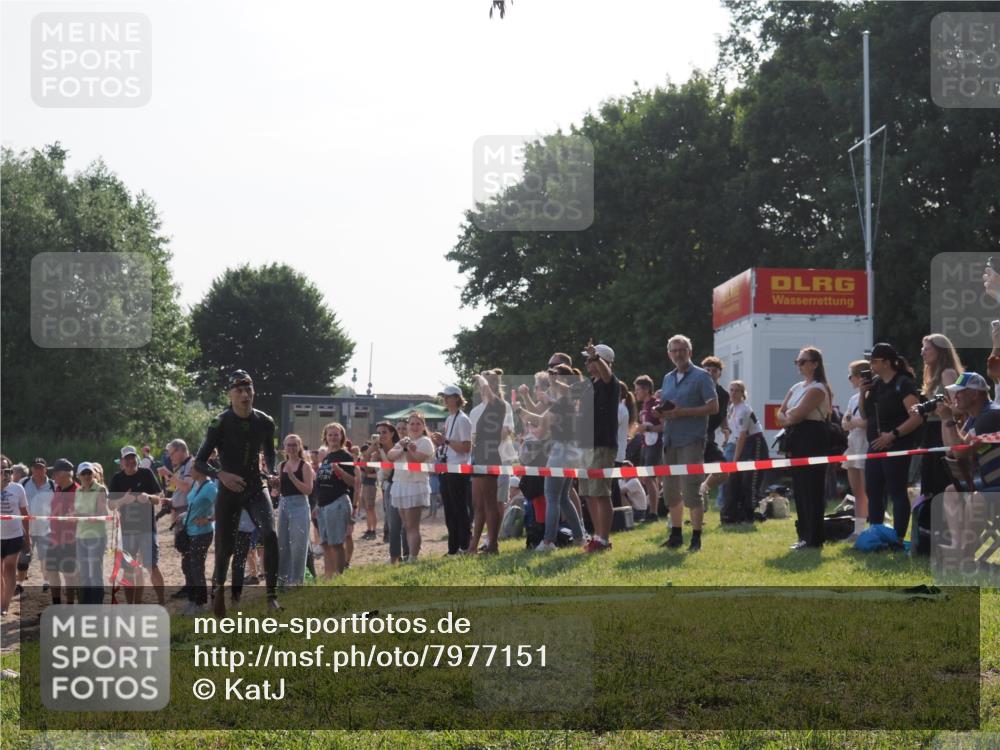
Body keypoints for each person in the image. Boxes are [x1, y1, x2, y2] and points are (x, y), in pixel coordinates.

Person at [194, 369, 280, 617]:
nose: (244, 395)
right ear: (230, 395)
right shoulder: (219, 422)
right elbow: (199, 462)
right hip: (229, 489)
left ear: (253, 392)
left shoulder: (265, 421)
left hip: (254, 486)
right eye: (239, 390)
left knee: (270, 534)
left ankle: (271, 597)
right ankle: (219, 592)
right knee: (225, 549)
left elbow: (270, 453)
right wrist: (221, 475)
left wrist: (271, 472)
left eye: (248, 389)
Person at [658, 335, 719, 551]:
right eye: (673, 350)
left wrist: (684, 412)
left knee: (692, 490)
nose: (678, 354)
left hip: (691, 441)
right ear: (669, 354)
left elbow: (713, 407)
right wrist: (662, 411)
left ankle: (696, 538)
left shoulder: (702, 377)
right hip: (670, 440)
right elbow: (670, 407)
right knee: (671, 491)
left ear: (689, 352)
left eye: (681, 349)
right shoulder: (667, 378)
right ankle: (676, 536)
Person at [517, 362, 586, 551]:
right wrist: (523, 412)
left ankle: (548, 542)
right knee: (563, 498)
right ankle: (580, 537)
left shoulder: (562, 402)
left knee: (552, 497)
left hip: (560, 452)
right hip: (571, 452)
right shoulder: (568, 401)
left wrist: (520, 412)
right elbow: (541, 419)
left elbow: (540, 428)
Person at [859, 342, 922, 540]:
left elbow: (917, 417)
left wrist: (892, 434)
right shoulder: (876, 384)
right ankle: (876, 533)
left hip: (897, 445)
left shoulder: (903, 383)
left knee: (896, 491)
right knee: (873, 490)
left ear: (886, 362)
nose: (870, 364)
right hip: (875, 445)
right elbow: (864, 414)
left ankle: (898, 537)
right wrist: (862, 393)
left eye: (874, 361)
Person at [776, 347, 835, 550]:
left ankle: (814, 538)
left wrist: (789, 416)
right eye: (797, 362)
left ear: (815, 363)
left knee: (812, 489)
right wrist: (788, 417)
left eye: (803, 361)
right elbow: (781, 414)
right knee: (800, 489)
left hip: (813, 438)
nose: (799, 365)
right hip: (796, 439)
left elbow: (797, 415)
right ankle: (803, 535)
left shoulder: (818, 388)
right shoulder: (796, 387)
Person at [938, 371, 1000, 559]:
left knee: (976, 499)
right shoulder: (974, 417)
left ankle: (964, 553)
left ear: (974, 394)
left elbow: (960, 452)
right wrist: (945, 418)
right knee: (951, 491)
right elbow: (950, 449)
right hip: (990, 482)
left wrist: (948, 419)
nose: (954, 396)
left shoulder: (990, 416)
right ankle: (960, 547)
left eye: (959, 392)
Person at [576, 343, 620, 552]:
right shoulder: (590, 385)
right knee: (588, 493)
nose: (587, 363)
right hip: (586, 445)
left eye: (591, 359)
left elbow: (607, 375)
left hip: (602, 445)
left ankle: (604, 539)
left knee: (601, 493)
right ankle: (596, 536)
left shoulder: (610, 383)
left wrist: (597, 358)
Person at [107, 445, 165, 605]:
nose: (131, 461)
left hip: (147, 529)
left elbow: (159, 498)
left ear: (137, 459)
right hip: (127, 531)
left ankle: (162, 602)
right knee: (129, 569)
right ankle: (132, 605)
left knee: (152, 566)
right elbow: (111, 505)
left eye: (133, 458)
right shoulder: (117, 479)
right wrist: (123, 500)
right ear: (122, 462)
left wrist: (147, 497)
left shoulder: (146, 473)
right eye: (127, 459)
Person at [914, 334, 964, 506]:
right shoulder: (933, 376)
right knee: (929, 482)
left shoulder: (948, 373)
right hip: (931, 432)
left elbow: (959, 407)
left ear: (940, 351)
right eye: (922, 348)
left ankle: (944, 527)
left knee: (940, 481)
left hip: (943, 432)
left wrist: (937, 409)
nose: (922, 353)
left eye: (927, 349)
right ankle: (929, 528)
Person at [468, 371, 509, 555]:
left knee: (490, 503)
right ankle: (473, 546)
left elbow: (485, 387)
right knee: (478, 504)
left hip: (489, 456)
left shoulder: (499, 404)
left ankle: (493, 545)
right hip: (479, 456)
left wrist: (479, 376)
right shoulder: (484, 407)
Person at [387, 412, 435, 560]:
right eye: (412, 424)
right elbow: (390, 455)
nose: (414, 427)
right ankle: (409, 555)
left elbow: (414, 463)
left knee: (413, 526)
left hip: (414, 485)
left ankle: (413, 557)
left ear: (423, 426)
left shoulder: (425, 441)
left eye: (418, 424)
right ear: (407, 426)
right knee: (407, 526)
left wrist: (408, 450)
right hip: (400, 484)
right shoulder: (404, 440)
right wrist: (403, 447)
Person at [431, 385, 473, 555]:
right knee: (449, 510)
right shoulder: (450, 418)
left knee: (459, 509)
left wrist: (446, 441)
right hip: (448, 467)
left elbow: (466, 447)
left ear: (457, 398)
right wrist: (441, 444)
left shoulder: (463, 419)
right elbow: (451, 444)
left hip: (458, 469)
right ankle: (453, 548)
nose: (445, 400)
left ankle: (464, 545)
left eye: (447, 397)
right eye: (444, 397)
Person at [720, 381, 768, 524]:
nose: (733, 394)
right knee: (737, 480)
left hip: (755, 444)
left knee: (750, 480)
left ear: (742, 393)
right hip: (743, 443)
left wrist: (735, 459)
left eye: (737, 391)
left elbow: (742, 436)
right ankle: (737, 514)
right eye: (731, 390)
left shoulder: (744, 410)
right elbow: (735, 433)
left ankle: (749, 515)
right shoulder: (732, 408)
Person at [314, 423, 356, 576]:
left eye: (336, 434)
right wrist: (317, 505)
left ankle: (340, 577)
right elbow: (321, 483)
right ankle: (328, 576)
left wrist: (340, 472)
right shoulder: (327, 457)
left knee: (336, 543)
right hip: (323, 505)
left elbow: (352, 481)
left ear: (341, 437)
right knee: (324, 543)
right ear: (325, 437)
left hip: (337, 503)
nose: (332, 437)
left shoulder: (345, 456)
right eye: (330, 434)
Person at [276, 433, 315, 587]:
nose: (291, 448)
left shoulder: (305, 466)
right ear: (284, 447)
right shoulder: (281, 466)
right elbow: (280, 490)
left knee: (298, 544)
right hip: (284, 504)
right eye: (288, 445)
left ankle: (296, 581)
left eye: (294, 445)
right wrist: (275, 486)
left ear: (299, 447)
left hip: (300, 505)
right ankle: (282, 580)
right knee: (283, 543)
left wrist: (292, 477)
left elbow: (308, 490)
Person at [181, 464, 216, 615]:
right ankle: (192, 600)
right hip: (190, 531)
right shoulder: (197, 483)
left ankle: (199, 603)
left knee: (196, 567)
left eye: (192, 469)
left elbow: (222, 506)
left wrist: (208, 519)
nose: (189, 471)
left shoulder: (210, 487)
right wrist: (183, 515)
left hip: (202, 533)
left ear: (200, 471)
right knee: (187, 566)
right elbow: (193, 504)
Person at [697, 356, 731, 509]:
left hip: (708, 440)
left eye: (714, 370)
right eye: (707, 370)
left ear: (720, 374)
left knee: (724, 471)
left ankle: (703, 488)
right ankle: (675, 515)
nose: (710, 373)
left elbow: (722, 415)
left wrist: (726, 429)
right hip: (691, 439)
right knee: (687, 477)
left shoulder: (724, 395)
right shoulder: (696, 389)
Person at [843, 360, 871, 541]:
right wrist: (852, 423)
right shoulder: (853, 398)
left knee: (868, 490)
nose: (849, 379)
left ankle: (869, 528)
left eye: (850, 376)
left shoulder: (873, 395)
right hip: (853, 446)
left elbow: (867, 422)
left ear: (860, 377)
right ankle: (857, 530)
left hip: (866, 446)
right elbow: (845, 422)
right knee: (857, 490)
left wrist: (853, 423)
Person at [17, 458, 54, 595]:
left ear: (46, 469)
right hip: (26, 529)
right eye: (35, 467)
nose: (38, 470)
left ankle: (46, 582)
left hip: (46, 529)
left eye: (41, 467)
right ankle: (20, 584)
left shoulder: (53, 484)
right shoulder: (23, 483)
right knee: (23, 559)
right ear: (32, 469)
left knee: (45, 558)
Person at [74, 462, 108, 604]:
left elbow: (101, 513)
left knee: (95, 572)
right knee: (84, 573)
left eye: (89, 473)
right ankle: (85, 603)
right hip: (81, 535)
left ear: (94, 474)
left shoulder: (100, 490)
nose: (87, 476)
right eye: (84, 473)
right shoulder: (78, 491)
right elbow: (77, 514)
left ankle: (96, 604)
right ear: (79, 476)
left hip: (96, 536)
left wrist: (80, 514)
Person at [46, 459, 78, 605]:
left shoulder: (77, 491)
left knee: (69, 575)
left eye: (56, 473)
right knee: (52, 572)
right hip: (54, 538)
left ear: (65, 473)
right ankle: (56, 604)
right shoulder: (58, 489)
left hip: (70, 540)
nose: (53, 476)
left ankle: (70, 606)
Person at [1, 456, 29, 616]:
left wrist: (28, 537)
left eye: (5, 469)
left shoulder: (18, 489)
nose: (3, 472)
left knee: (10, 568)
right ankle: (1, 599)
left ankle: (5, 604)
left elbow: (25, 514)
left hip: (14, 535)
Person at [634, 375, 663, 520]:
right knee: (648, 478)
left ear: (646, 390)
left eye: (638, 389)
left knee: (649, 477)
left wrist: (647, 428)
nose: (635, 392)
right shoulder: (644, 406)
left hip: (655, 445)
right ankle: (652, 510)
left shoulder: (656, 404)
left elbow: (665, 426)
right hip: (646, 444)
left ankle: (653, 512)